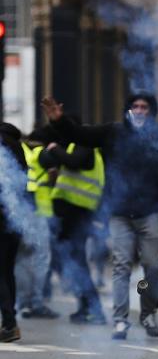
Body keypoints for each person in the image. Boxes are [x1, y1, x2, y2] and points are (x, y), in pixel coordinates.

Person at [41, 94, 158, 340]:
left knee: (152, 267)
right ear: (128, 110)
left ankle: (148, 312)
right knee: (121, 266)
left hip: (151, 213)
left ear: (151, 112)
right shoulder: (113, 132)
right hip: (120, 214)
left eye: (144, 107)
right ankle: (120, 320)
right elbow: (79, 135)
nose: (139, 110)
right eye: (135, 106)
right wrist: (59, 121)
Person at [37, 118, 106, 325]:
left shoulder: (84, 145)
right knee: (73, 263)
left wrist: (55, 149)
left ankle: (93, 309)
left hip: (77, 214)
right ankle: (86, 307)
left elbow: (75, 162)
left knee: (77, 263)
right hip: (72, 214)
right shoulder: (77, 146)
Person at [15, 130, 58, 320]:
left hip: (19, 214)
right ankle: (37, 303)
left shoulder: (19, 151)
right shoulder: (38, 153)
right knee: (40, 259)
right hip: (37, 213)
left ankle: (22, 304)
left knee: (22, 260)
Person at [1, 123, 30, 342]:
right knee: (6, 270)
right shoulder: (18, 150)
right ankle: (10, 323)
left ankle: (10, 323)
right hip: (15, 221)